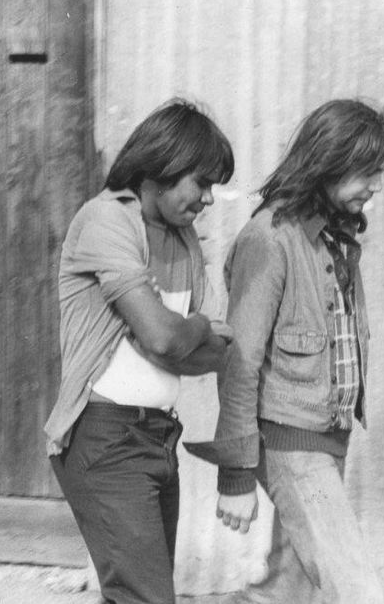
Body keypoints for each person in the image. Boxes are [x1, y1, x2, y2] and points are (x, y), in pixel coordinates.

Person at [185, 99, 384, 602]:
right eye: (366, 171)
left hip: (326, 438)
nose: (376, 185)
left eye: (380, 173)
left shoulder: (334, 239)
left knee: (288, 592)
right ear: (328, 160)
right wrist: (236, 471)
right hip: (292, 444)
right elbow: (238, 361)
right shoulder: (270, 239)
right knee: (356, 589)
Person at [45, 100, 235, 604]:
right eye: (202, 182)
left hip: (158, 435)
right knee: (146, 598)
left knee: (137, 596)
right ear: (160, 168)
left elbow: (214, 351)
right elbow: (169, 339)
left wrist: (173, 335)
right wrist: (191, 328)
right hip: (106, 436)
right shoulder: (106, 218)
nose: (209, 199)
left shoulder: (184, 236)